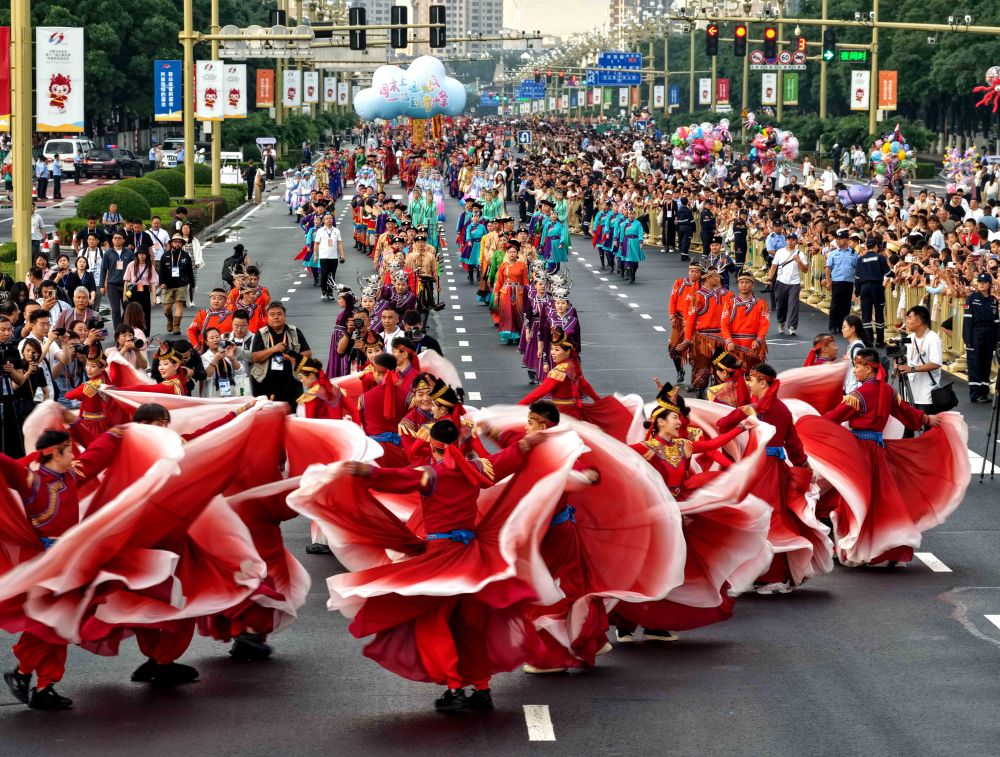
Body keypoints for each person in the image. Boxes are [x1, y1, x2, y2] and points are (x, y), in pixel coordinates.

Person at [797, 348, 966, 567]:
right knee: (880, 500)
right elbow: (906, 412)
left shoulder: (857, 396)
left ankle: (853, 549)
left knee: (854, 500)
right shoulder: (887, 391)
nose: (855, 370)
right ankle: (883, 552)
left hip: (858, 452)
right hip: (878, 450)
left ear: (869, 367)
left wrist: (807, 424)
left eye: (857, 366)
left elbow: (833, 418)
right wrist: (927, 419)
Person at [0, 427, 123, 710]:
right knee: (53, 623)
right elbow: (5, 463)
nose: (75, 454)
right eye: (69, 449)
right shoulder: (32, 480)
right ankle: (26, 674)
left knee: (58, 624)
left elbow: (97, 456)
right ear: (56, 453)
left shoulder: (71, 474)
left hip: (68, 563)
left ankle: (41, 684)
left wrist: (119, 433)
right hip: (45, 565)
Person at [717, 363, 832, 592]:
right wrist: (804, 466)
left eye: (752, 380)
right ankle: (772, 575)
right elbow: (794, 445)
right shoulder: (781, 408)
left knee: (763, 520)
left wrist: (742, 412)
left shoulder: (756, 408)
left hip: (760, 470)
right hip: (776, 469)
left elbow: (721, 426)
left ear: (763, 382)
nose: (750, 384)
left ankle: (770, 576)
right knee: (774, 518)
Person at [250, 302, 311, 411]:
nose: (276, 317)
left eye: (279, 314)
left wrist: (294, 357)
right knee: (268, 417)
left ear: (284, 316)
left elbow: (307, 353)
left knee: (293, 414)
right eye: (272, 314)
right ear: (267, 317)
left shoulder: (295, 332)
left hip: (291, 382)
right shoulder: (261, 333)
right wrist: (273, 349)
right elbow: (255, 357)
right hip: (266, 383)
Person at [895, 305, 943, 417]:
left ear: (918, 321)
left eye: (909, 318)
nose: (906, 321)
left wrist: (912, 369)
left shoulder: (933, 339)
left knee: (927, 427)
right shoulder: (910, 337)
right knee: (907, 426)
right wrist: (897, 362)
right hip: (910, 391)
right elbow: (901, 353)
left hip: (926, 393)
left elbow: (936, 363)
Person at [720, 269, 769, 367]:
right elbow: (723, 324)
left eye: (747, 282)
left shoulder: (762, 304)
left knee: (753, 378)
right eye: (741, 282)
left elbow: (764, 324)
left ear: (753, 285)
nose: (744, 285)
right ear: (738, 285)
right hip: (733, 345)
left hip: (753, 345)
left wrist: (759, 340)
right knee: (734, 378)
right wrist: (728, 340)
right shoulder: (729, 304)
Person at [963, 272, 999, 403]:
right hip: (976, 333)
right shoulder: (972, 298)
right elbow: (967, 320)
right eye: (979, 282)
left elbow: (996, 321)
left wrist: (997, 340)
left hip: (989, 334)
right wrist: (967, 339)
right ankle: (975, 394)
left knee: (986, 364)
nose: (982, 284)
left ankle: (984, 392)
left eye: (984, 282)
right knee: (975, 364)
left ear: (989, 284)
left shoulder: (993, 300)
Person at [768, 234, 808, 336]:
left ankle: (792, 326)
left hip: (794, 283)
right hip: (781, 281)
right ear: (786, 241)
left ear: (796, 241)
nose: (790, 241)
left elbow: (805, 270)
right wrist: (769, 279)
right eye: (788, 239)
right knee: (780, 305)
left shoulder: (800, 253)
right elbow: (773, 267)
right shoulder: (780, 252)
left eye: (792, 240)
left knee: (793, 305)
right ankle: (781, 323)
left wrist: (799, 261)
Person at [854, 241, 892, 347]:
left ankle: (868, 341)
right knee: (879, 314)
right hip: (877, 287)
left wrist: (857, 291)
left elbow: (857, 278)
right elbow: (888, 273)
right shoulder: (880, 257)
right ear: (876, 246)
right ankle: (880, 341)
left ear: (866, 247)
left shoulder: (860, 259)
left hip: (864, 288)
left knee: (866, 315)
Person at [158, 233, 195, 335]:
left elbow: (189, 271)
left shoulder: (186, 256)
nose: (177, 244)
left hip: (181, 284)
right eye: (175, 242)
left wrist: (191, 283)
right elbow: (161, 271)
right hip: (167, 285)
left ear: (182, 244)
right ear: (171, 243)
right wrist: (161, 282)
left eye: (179, 242)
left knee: (179, 304)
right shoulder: (165, 255)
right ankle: (170, 320)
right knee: (167, 308)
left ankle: (176, 326)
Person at [825, 229, 858, 333]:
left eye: (840, 239)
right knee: (835, 304)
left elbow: (856, 268)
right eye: (837, 239)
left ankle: (842, 326)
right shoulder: (833, 253)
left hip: (848, 281)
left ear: (847, 240)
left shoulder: (854, 253)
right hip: (837, 281)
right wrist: (828, 281)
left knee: (846, 305)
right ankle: (833, 325)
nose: (838, 241)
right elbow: (828, 268)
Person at [100, 231, 134, 329]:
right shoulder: (108, 253)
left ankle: (125, 327)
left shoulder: (129, 252)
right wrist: (102, 285)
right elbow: (103, 269)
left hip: (126, 285)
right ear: (112, 240)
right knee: (115, 310)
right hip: (112, 285)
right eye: (115, 238)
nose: (117, 240)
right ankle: (118, 331)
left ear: (123, 240)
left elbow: (134, 268)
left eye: (119, 238)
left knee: (127, 308)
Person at [123, 245, 158, 334]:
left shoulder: (150, 266)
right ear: (137, 255)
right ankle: (128, 332)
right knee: (130, 312)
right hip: (133, 291)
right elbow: (126, 281)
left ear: (147, 255)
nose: (142, 256)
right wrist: (124, 295)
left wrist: (154, 297)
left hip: (145, 291)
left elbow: (153, 283)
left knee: (145, 313)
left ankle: (145, 335)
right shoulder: (131, 264)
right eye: (140, 254)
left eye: (144, 254)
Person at [314, 213, 346, 302]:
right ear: (323, 220)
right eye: (326, 218)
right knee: (324, 275)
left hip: (333, 257)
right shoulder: (320, 231)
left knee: (332, 276)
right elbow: (316, 244)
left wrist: (342, 255)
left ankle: (330, 293)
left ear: (333, 220)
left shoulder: (336, 231)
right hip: (324, 257)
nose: (328, 220)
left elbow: (340, 243)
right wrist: (316, 255)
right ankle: (324, 291)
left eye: (330, 218)